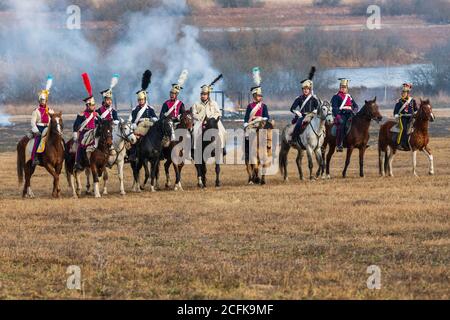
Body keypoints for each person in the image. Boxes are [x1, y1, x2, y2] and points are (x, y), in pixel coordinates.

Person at [191, 84, 226, 157]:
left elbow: (218, 113)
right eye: (202, 94)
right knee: (194, 132)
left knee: (223, 131)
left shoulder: (214, 103)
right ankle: (193, 149)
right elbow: (193, 114)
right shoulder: (196, 104)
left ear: (208, 95)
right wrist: (199, 117)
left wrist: (212, 118)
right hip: (200, 121)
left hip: (213, 121)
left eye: (205, 94)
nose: (203, 96)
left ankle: (222, 148)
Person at [127, 87, 158, 162]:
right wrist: (134, 124)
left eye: (142, 99)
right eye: (139, 100)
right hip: (139, 127)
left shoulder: (150, 108)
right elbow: (131, 120)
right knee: (134, 138)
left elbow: (155, 118)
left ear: (145, 99)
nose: (140, 101)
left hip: (149, 126)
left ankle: (158, 152)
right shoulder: (135, 110)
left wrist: (149, 119)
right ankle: (133, 154)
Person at [73, 95, 101, 170]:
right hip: (85, 132)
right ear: (88, 105)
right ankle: (77, 162)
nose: (94, 107)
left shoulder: (96, 114)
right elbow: (76, 125)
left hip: (94, 132)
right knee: (81, 144)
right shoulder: (82, 114)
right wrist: (75, 134)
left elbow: (100, 123)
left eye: (94, 105)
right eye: (92, 105)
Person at [331, 78, 359, 152]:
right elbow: (334, 108)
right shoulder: (336, 96)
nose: (343, 89)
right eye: (342, 87)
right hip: (341, 114)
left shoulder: (349, 96)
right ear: (340, 87)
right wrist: (338, 116)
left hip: (350, 114)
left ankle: (360, 141)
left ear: (347, 88)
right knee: (342, 124)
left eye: (345, 87)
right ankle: (339, 144)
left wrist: (355, 111)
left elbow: (356, 106)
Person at [30, 88, 54, 166]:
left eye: (44, 101)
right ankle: (34, 158)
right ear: (39, 101)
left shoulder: (50, 110)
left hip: (48, 127)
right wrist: (36, 131)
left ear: (46, 101)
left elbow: (53, 120)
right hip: (39, 128)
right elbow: (33, 123)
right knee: (38, 140)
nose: (42, 102)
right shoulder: (35, 111)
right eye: (41, 101)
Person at [393, 83, 417, 148]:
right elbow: (395, 111)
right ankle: (400, 143)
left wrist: (416, 113)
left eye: (404, 92)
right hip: (402, 118)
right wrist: (396, 115)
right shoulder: (399, 101)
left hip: (411, 118)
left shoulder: (412, 101)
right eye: (402, 92)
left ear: (408, 93)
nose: (403, 94)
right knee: (403, 129)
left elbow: (416, 110)